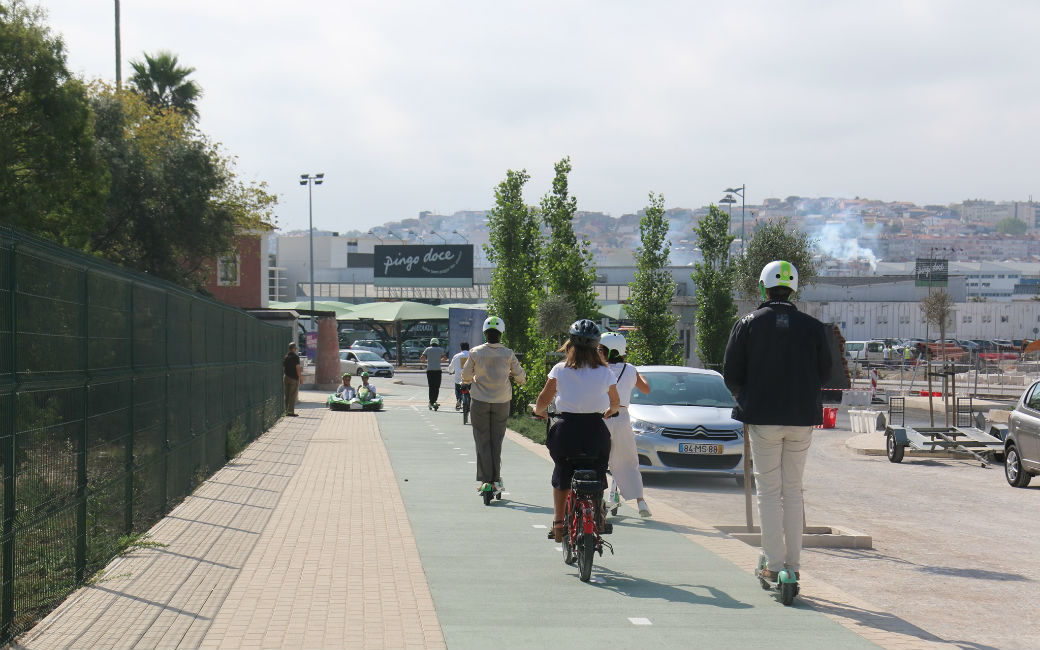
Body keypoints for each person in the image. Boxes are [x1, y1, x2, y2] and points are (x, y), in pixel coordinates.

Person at [722, 260, 831, 584]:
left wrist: (745, 398)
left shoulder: (748, 323)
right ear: (794, 288)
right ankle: (793, 566)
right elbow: (825, 372)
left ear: (762, 287)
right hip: (801, 419)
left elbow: (731, 374)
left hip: (763, 418)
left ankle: (773, 563)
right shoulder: (813, 327)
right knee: (793, 490)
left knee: (768, 491)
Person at [533, 319, 620, 542]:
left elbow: (544, 399)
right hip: (595, 431)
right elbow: (615, 403)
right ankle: (598, 516)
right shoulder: (604, 371)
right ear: (596, 347)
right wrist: (609, 412)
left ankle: (559, 523)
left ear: (569, 345)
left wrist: (539, 411)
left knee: (562, 472)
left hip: (567, 431)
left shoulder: (560, 370)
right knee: (598, 471)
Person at [461, 316, 526, 496]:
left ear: (484, 333)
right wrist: (518, 379)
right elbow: (520, 376)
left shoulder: (475, 352)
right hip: (502, 401)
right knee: (496, 441)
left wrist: (472, 379)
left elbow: (465, 376)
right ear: (501, 334)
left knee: (482, 441)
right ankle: (496, 479)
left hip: (480, 401)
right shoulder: (508, 353)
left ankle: (485, 481)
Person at [598, 332, 652, 518]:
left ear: (606, 351)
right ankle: (640, 501)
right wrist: (637, 375)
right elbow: (646, 388)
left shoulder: (598, 369)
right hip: (621, 417)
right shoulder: (630, 369)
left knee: (598, 460)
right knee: (628, 461)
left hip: (600, 417)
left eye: (600, 349)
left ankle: (598, 500)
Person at [420, 337, 448, 410]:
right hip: (438, 370)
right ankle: (434, 401)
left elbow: (422, 358)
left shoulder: (427, 349)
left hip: (429, 370)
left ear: (431, 343)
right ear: (437, 343)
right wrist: (439, 360)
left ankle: (431, 402)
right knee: (437, 387)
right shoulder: (441, 349)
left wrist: (426, 361)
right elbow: (445, 358)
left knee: (431, 386)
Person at [447, 342, 472, 410]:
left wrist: (450, 371)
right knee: (471, 390)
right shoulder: (472, 355)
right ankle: (470, 403)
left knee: (458, 389)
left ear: (460, 348)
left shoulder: (456, 356)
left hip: (459, 379)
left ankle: (459, 399)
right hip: (470, 379)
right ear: (468, 348)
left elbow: (451, 367)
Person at [283, 342, 301, 416]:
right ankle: (291, 412)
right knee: (292, 395)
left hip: (286, 377)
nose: (296, 350)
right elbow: (298, 368)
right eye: (295, 348)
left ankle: (285, 411)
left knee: (286, 395)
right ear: (293, 349)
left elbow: (283, 368)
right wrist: (300, 378)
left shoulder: (286, 357)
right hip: (294, 379)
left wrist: (285, 375)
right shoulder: (296, 357)